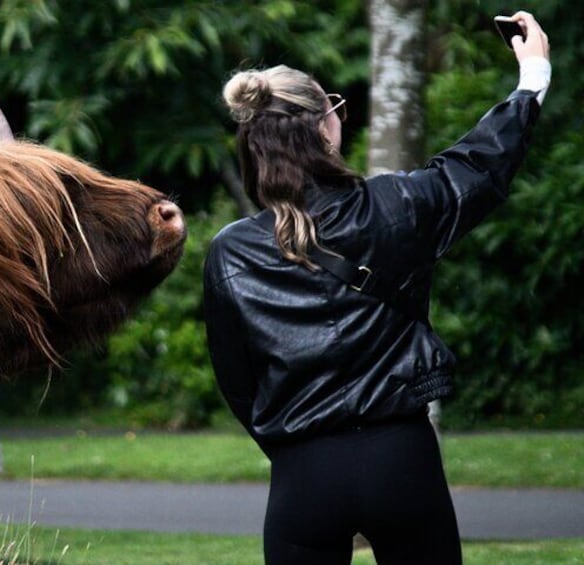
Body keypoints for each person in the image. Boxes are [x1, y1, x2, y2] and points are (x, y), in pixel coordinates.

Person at [203, 11, 550, 565]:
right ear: (324, 126)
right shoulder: (395, 205)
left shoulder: (231, 250)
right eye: (334, 107)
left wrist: (295, 446)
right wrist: (533, 76)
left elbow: (236, 380)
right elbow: (480, 164)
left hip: (302, 474)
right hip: (401, 460)